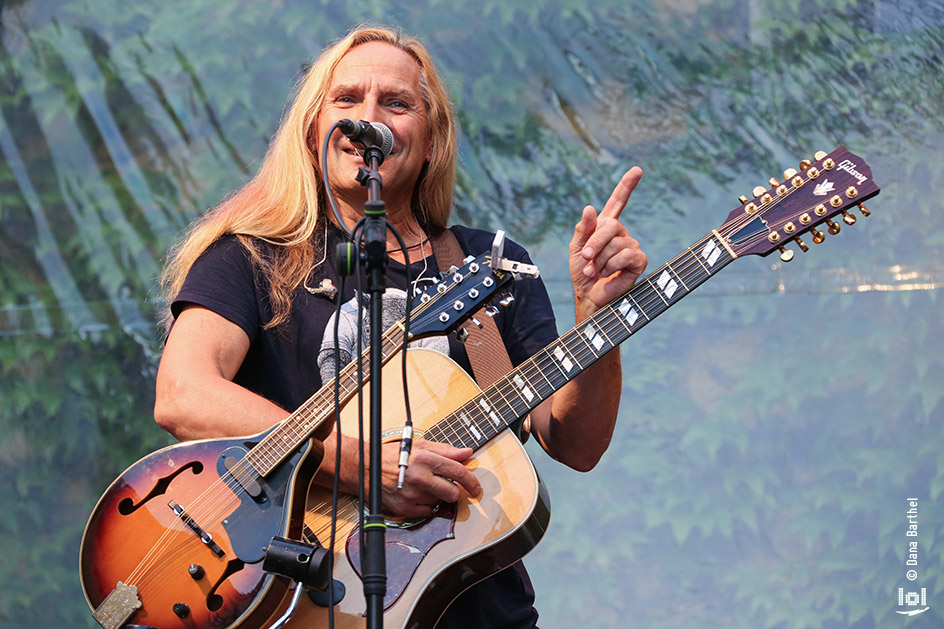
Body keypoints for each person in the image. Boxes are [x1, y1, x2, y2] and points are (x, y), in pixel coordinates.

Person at [154, 25, 647, 628]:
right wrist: (357, 462)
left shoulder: (489, 264)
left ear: (431, 140)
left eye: (396, 103)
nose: (369, 118)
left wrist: (599, 316)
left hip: (477, 609)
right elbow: (183, 394)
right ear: (315, 132)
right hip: (307, 600)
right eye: (347, 100)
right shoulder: (253, 255)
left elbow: (575, 443)